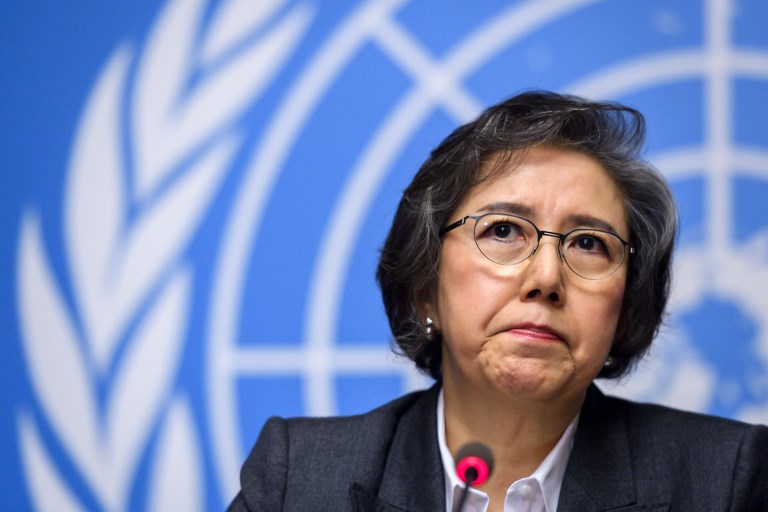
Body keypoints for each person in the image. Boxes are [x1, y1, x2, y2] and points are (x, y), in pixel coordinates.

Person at [228, 91, 768, 511]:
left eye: (588, 243)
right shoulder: (299, 478)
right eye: (505, 230)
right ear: (424, 284)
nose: (546, 277)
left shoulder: (725, 480)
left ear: (625, 305)